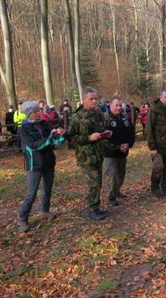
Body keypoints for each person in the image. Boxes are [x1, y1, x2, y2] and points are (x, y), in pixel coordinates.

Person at [18, 100, 65, 233]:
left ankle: (45, 211)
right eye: (35, 111)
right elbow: (34, 145)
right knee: (31, 193)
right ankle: (23, 218)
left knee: (48, 189)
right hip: (35, 164)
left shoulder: (44, 124)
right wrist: (49, 138)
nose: (39, 113)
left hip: (49, 161)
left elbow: (53, 142)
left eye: (38, 110)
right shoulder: (23, 129)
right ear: (29, 114)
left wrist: (58, 135)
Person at [67, 87, 112, 221]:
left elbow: (102, 129)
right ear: (83, 99)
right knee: (93, 183)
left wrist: (106, 134)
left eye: (95, 99)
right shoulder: (77, 117)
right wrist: (88, 138)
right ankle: (92, 209)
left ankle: (95, 206)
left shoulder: (98, 114)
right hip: (86, 157)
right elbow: (70, 139)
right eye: (91, 99)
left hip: (98, 153)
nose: (94, 102)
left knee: (97, 182)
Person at [102, 97, 135, 206]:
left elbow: (131, 133)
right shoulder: (104, 119)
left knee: (121, 174)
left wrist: (128, 144)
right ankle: (111, 196)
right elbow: (103, 138)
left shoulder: (125, 118)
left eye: (120, 105)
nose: (119, 108)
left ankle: (117, 191)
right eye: (116, 105)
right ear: (110, 105)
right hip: (110, 153)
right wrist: (117, 146)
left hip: (123, 153)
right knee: (111, 175)